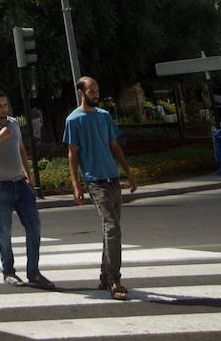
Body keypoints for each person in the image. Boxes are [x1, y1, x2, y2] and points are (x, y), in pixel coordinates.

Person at [64, 77, 138, 301]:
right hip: (95, 181)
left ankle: (105, 276)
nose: (96, 94)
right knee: (112, 227)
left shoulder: (105, 116)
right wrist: (76, 185)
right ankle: (115, 279)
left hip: (113, 178)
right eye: (92, 90)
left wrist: (129, 174)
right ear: (81, 93)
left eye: (97, 90)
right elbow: (73, 154)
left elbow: (114, 145)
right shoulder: (73, 120)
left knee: (111, 231)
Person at [0, 89, 52, 288]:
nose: (3, 108)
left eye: (5, 104)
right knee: (5, 230)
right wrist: (0, 136)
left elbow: (20, 148)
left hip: (20, 182)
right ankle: (8, 272)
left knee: (34, 227)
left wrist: (28, 175)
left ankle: (34, 272)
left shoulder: (13, 122)